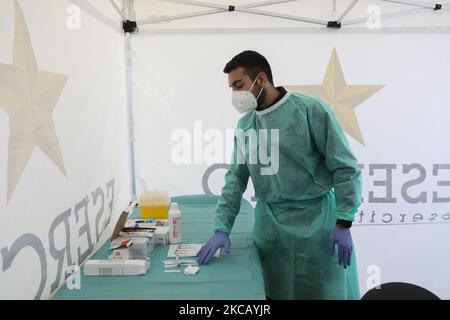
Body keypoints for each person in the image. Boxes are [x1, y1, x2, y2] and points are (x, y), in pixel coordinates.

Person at [197, 50, 362, 300]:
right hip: (271, 229)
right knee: (277, 292)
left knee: (322, 293)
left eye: (238, 85)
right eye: (231, 87)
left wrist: (343, 221)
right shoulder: (246, 125)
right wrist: (222, 228)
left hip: (317, 226)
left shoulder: (310, 111)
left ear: (261, 80)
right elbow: (235, 179)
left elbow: (345, 167)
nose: (234, 94)